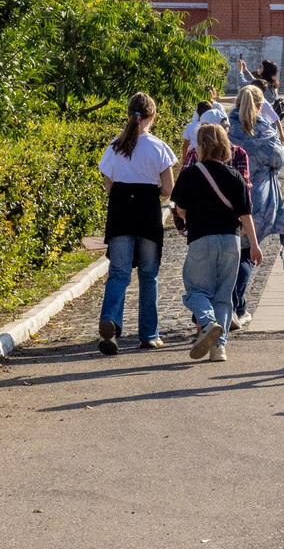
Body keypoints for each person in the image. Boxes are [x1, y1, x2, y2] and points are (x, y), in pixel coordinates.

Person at [95, 92, 177, 354]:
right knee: (149, 275)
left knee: (119, 273)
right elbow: (168, 189)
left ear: (129, 114)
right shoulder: (159, 147)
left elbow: (109, 185)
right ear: (153, 116)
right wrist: (149, 190)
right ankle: (149, 334)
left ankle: (110, 322)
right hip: (147, 213)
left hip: (120, 212)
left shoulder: (115, 146)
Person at [175, 122, 259, 363]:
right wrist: (254, 245)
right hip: (231, 240)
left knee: (196, 290)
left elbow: (180, 209)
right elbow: (246, 214)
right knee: (223, 296)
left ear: (201, 146)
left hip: (202, 238)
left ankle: (207, 321)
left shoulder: (190, 175)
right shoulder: (234, 176)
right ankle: (219, 348)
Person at [227, 85, 284, 328]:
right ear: (261, 106)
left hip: (225, 197)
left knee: (228, 252)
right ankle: (233, 305)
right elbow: (279, 159)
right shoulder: (263, 131)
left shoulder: (225, 127)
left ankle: (237, 307)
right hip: (255, 198)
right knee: (247, 253)